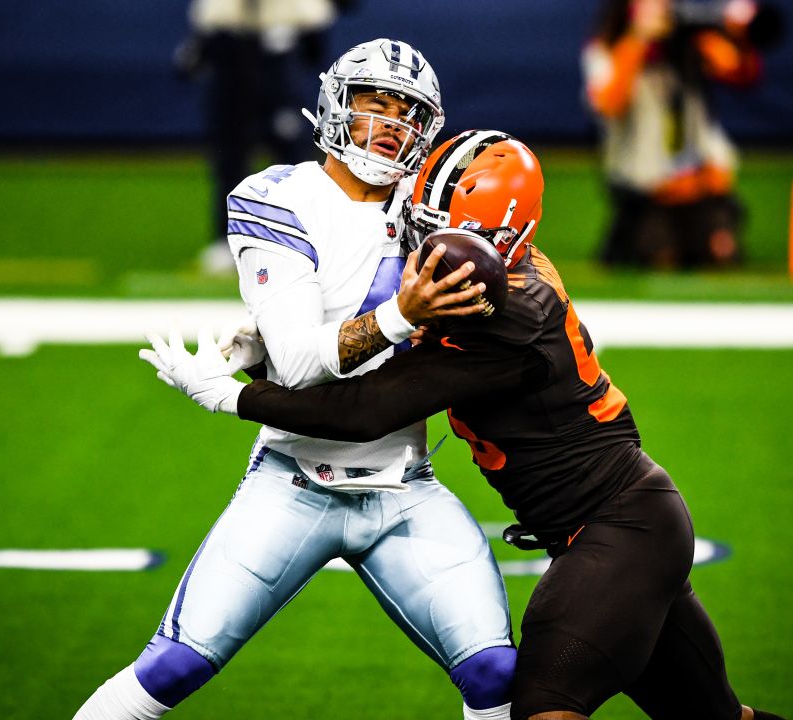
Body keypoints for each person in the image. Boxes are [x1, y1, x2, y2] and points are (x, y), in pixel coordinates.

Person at [152, 130, 786, 720]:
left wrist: (231, 397)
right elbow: (384, 343)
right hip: (625, 522)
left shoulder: (506, 313)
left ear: (495, 237)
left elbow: (365, 409)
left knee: (542, 705)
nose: (423, 245)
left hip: (617, 529)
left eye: (441, 229)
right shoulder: (497, 276)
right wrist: (268, 345)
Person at [75, 40, 520, 720]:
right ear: (336, 107)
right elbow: (305, 363)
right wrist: (391, 317)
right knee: (172, 667)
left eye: (408, 113)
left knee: (496, 673)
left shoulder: (429, 202)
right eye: (377, 106)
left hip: (405, 485)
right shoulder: (277, 197)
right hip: (294, 481)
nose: (393, 126)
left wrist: (255, 351)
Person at [583, 0, 762, 269]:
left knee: (721, 253)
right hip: (644, 191)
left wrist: (736, 35)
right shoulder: (608, 48)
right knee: (659, 256)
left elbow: (742, 73)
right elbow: (608, 103)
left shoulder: (692, 43)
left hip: (700, 186)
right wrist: (639, 38)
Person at [173, 0, 346, 274]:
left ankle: (304, 236)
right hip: (232, 65)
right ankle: (227, 238)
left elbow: (315, 44)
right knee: (230, 157)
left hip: (279, 65)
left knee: (294, 160)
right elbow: (205, 34)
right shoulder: (220, 13)